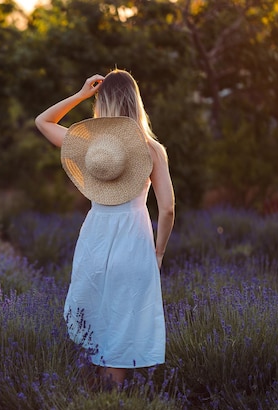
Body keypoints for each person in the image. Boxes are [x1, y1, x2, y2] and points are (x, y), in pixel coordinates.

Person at [34, 69, 175, 388]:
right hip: (134, 245)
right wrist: (159, 252)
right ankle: (110, 404)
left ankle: (87, 401)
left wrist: (82, 94)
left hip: (95, 243)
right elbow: (166, 208)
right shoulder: (153, 150)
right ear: (136, 101)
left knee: (90, 327)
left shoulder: (91, 146)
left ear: (103, 103)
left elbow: (43, 122)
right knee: (120, 333)